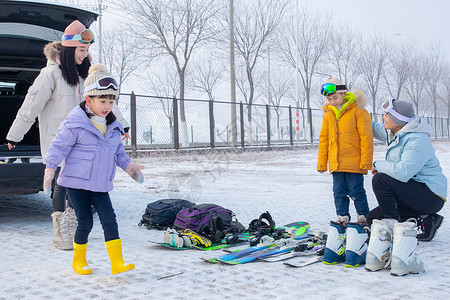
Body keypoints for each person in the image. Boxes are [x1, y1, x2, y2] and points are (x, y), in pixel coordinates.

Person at [5, 20, 129, 250]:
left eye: (87, 50)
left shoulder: (85, 76)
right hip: (59, 139)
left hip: (84, 141)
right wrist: (15, 135)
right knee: (61, 183)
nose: (85, 54)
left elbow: (104, 99)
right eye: (81, 50)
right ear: (70, 49)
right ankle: (60, 228)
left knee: (78, 184)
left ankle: (74, 223)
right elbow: (30, 106)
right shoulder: (49, 74)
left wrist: (122, 125)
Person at [43, 63, 143, 275]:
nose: (107, 106)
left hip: (99, 184)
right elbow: (59, 146)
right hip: (76, 183)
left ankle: (117, 262)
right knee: (85, 221)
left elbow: (119, 154)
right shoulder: (76, 124)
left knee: (110, 220)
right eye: (102, 100)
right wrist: (50, 168)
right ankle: (78, 261)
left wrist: (129, 167)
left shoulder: (113, 127)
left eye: (111, 101)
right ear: (89, 100)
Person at [365, 99, 446, 275]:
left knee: (380, 180)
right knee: (372, 219)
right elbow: (374, 128)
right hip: (413, 191)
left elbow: (403, 173)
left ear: (398, 120)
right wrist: (355, 109)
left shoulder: (417, 140)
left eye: (387, 115)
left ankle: (393, 231)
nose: (384, 117)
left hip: (431, 195)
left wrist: (377, 165)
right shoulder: (397, 132)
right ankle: (427, 221)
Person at [317, 77, 374, 267]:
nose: (332, 101)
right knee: (338, 192)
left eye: (335, 97)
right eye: (329, 99)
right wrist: (322, 162)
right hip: (336, 163)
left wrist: (366, 162)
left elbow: (366, 138)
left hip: (354, 162)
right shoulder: (328, 114)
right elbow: (324, 139)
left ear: (343, 93)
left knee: (356, 191)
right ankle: (342, 218)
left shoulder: (359, 112)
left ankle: (363, 218)